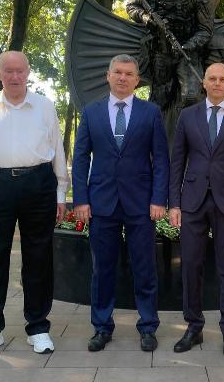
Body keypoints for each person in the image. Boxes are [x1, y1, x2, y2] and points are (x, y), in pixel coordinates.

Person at [0, 51, 70, 356]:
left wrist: (60, 193)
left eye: (19, 71)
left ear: (28, 73)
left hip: (38, 185)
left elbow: (57, 149)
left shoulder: (44, 106)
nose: (14, 76)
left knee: (39, 258)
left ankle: (38, 328)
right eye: (8, 71)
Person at [72, 54, 169, 353]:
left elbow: (161, 159)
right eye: (118, 72)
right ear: (108, 75)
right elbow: (80, 158)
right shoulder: (91, 112)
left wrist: (158, 198)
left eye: (129, 73)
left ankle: (148, 326)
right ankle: (102, 327)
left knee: (145, 268)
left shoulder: (151, 112)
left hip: (141, 203)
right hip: (101, 203)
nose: (123, 77)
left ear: (137, 80)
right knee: (102, 269)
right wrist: (81, 199)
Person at [169, 62, 224, 358]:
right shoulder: (187, 116)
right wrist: (174, 203)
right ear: (204, 83)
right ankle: (193, 327)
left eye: (223, 79)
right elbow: (177, 162)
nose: (217, 83)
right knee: (190, 265)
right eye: (212, 78)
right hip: (192, 202)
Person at [126, 0, 213, 111]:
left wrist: (188, 46)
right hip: (161, 53)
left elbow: (206, 29)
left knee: (192, 97)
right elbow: (131, 5)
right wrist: (145, 17)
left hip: (187, 52)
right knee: (158, 100)